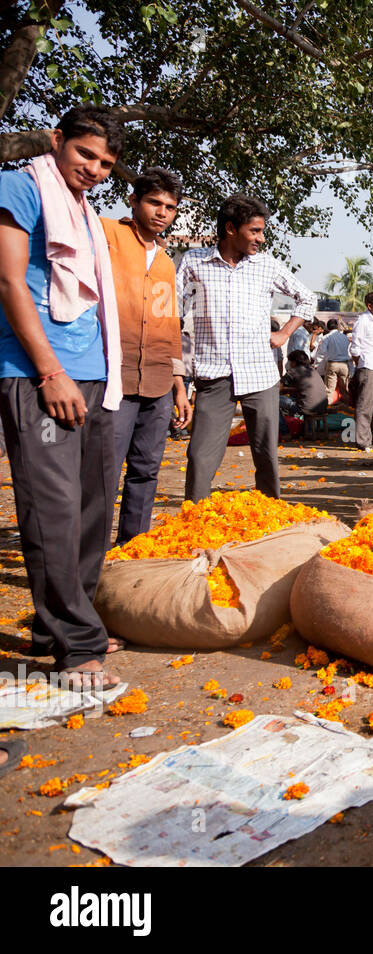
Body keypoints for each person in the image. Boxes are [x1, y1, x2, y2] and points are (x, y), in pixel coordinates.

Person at [0, 105, 125, 688]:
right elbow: (7, 282)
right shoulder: (20, 189)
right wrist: (50, 372)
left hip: (95, 372)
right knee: (52, 508)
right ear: (57, 141)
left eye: (105, 163)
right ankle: (77, 646)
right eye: (84, 154)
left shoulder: (85, 213)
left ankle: (64, 623)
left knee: (92, 510)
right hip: (38, 374)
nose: (94, 169)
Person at [179, 193, 315, 501]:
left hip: (260, 374)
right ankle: (193, 519)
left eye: (262, 231)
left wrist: (283, 334)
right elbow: (171, 307)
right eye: (254, 231)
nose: (261, 238)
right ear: (230, 229)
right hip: (213, 374)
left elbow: (307, 298)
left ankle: (269, 514)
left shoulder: (266, 265)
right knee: (200, 456)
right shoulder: (193, 263)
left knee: (265, 453)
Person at [103, 166, 192, 546]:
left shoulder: (167, 263)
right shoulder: (107, 236)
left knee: (145, 470)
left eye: (169, 207)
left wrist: (179, 387)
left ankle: (131, 549)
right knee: (102, 472)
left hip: (157, 381)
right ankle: (87, 560)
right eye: (154, 202)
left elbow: (169, 325)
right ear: (133, 201)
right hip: (111, 378)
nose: (161, 212)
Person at [349, 290, 373, 452]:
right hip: (368, 365)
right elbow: (355, 348)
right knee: (365, 406)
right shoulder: (363, 321)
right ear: (370, 306)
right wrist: (360, 364)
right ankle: (363, 441)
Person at [281, 349, 328, 418]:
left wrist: (286, 389)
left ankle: (283, 427)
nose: (289, 364)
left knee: (276, 399)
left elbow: (279, 388)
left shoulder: (293, 371)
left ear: (294, 362)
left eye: (290, 361)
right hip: (322, 407)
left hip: (305, 409)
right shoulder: (312, 370)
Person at [316, 318, 351, 403]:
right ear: (337, 327)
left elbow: (321, 353)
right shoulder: (344, 337)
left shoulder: (326, 337)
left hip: (332, 364)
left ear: (327, 328)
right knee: (344, 390)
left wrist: (317, 364)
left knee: (329, 390)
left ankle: (329, 409)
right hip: (345, 365)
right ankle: (346, 408)